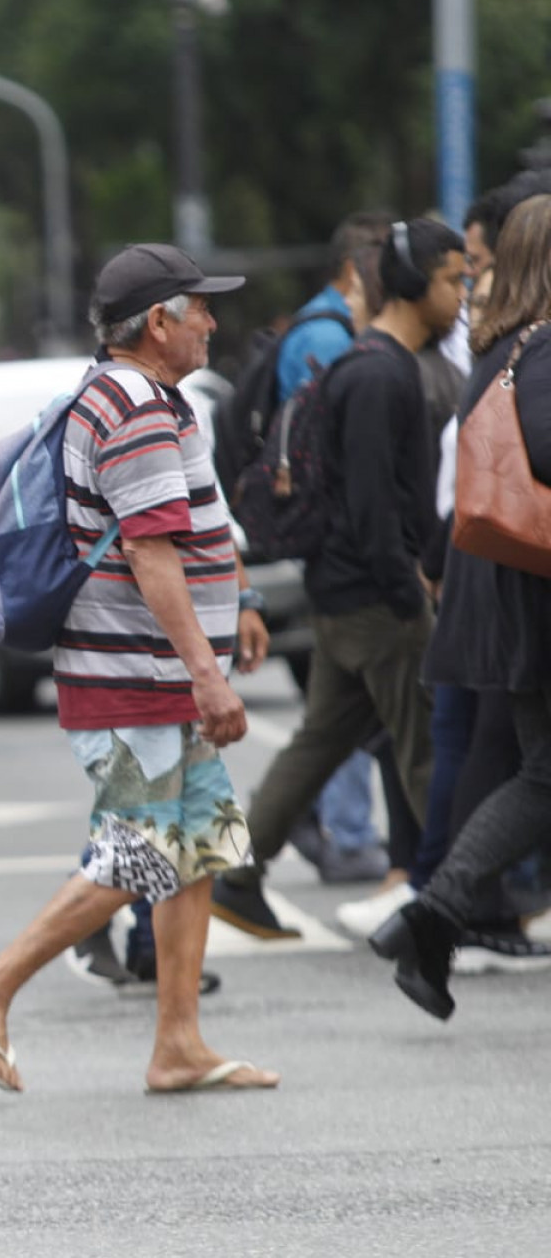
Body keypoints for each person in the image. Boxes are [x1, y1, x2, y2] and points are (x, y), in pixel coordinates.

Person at [0, 243, 279, 1095]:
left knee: (195, 846)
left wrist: (235, 604)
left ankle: (178, 1043)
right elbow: (151, 550)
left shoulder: (143, 396)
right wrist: (207, 673)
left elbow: (193, 526)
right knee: (144, 848)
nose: (212, 322)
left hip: (154, 675)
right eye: (200, 308)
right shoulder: (133, 406)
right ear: (158, 321)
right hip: (139, 678)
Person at [212, 220, 468, 939]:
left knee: (320, 742)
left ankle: (236, 877)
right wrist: (408, 591)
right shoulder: (380, 374)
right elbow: (373, 503)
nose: (463, 295)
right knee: (427, 750)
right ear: (412, 285)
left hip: (342, 590)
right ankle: (465, 900)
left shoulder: (369, 365)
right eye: (453, 280)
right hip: (376, 598)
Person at [371, 193, 551, 1017]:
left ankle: (433, 916)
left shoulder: (503, 347)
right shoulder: (541, 350)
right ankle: (433, 914)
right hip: (535, 593)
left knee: (540, 773)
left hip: (513, 589)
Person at [277, 212, 396, 887]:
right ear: (357, 270)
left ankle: (311, 819)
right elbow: (335, 457)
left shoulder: (326, 330)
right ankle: (346, 831)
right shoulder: (327, 336)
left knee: (343, 705)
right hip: (341, 549)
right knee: (357, 699)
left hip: (336, 547)